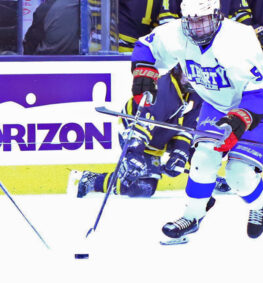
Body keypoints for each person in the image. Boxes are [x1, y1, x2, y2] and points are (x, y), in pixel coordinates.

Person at [131, 0, 263, 243]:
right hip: (216, 103)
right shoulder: (178, 33)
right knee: (202, 161)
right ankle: (193, 215)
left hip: (258, 107)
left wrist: (238, 123)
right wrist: (144, 71)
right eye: (191, 21)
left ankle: (261, 203)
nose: (196, 27)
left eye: (202, 20)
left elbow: (258, 94)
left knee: (238, 176)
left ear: (217, 14)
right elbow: (146, 46)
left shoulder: (238, 41)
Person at [69, 65, 201, 200]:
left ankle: (207, 177)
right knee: (142, 187)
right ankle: (91, 180)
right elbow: (144, 124)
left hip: (161, 136)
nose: (190, 78)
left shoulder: (197, 94)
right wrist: (134, 152)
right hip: (133, 131)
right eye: (187, 73)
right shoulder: (164, 91)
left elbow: (188, 127)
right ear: (177, 70)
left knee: (201, 147)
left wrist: (180, 153)